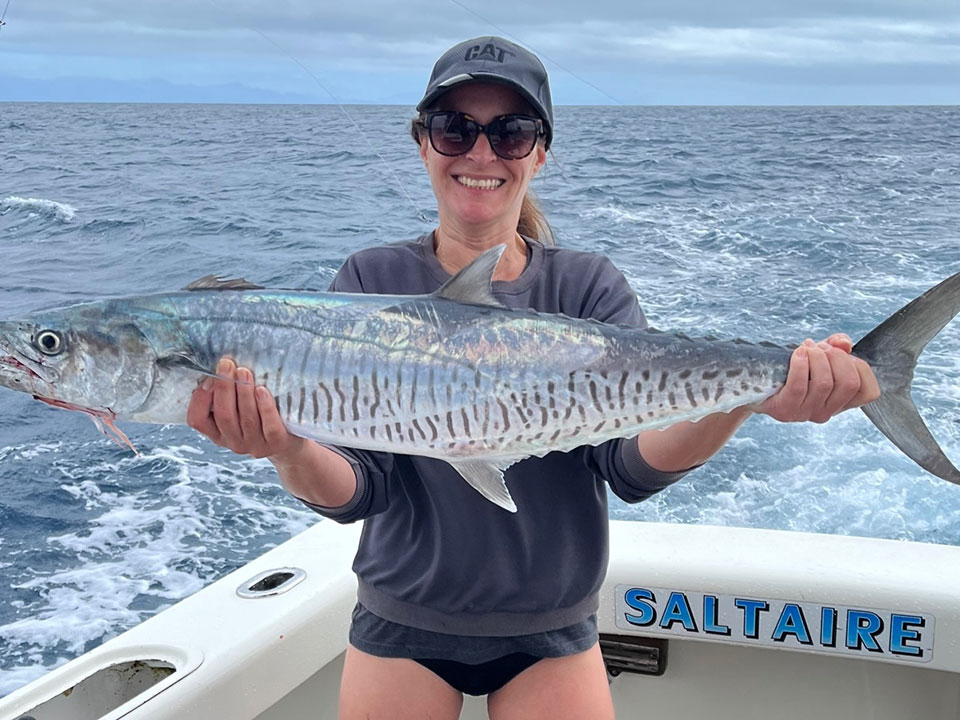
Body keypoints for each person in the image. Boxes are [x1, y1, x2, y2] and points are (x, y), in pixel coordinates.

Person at [187, 36, 880, 720]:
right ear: (422, 143)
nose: (481, 153)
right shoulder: (372, 282)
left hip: (552, 629)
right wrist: (285, 446)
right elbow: (357, 490)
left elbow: (631, 468)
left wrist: (744, 399)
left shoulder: (587, 286)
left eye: (510, 132)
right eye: (454, 129)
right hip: (401, 621)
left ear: (540, 153)